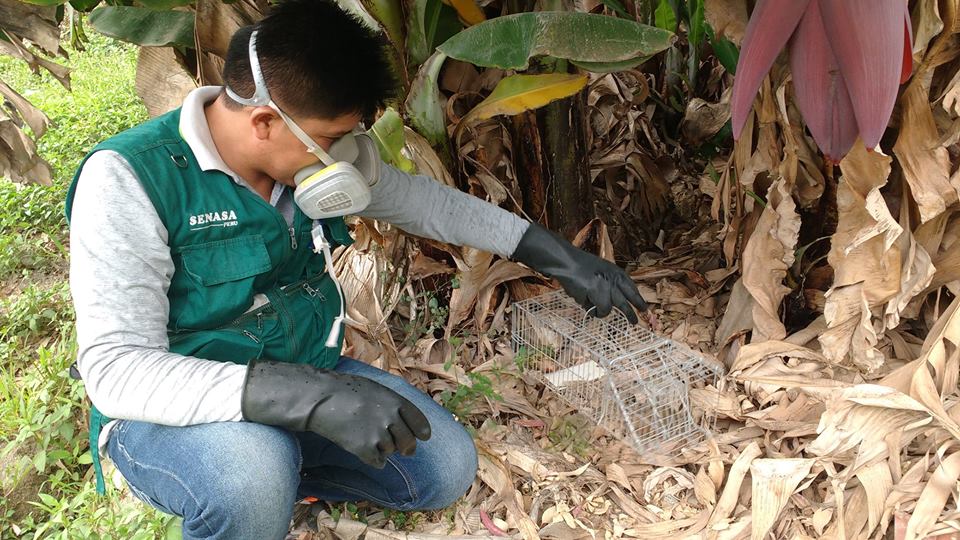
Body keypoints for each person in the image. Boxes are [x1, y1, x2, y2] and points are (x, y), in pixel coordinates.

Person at [66, 1, 648, 538]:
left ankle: (277, 464)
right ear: (265, 122)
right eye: (331, 139)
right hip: (172, 410)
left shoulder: (304, 163)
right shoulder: (131, 179)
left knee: (442, 467)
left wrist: (557, 255)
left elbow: (429, 204)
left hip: (302, 375)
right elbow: (117, 372)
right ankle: (247, 476)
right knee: (249, 477)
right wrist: (309, 400)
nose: (341, 157)